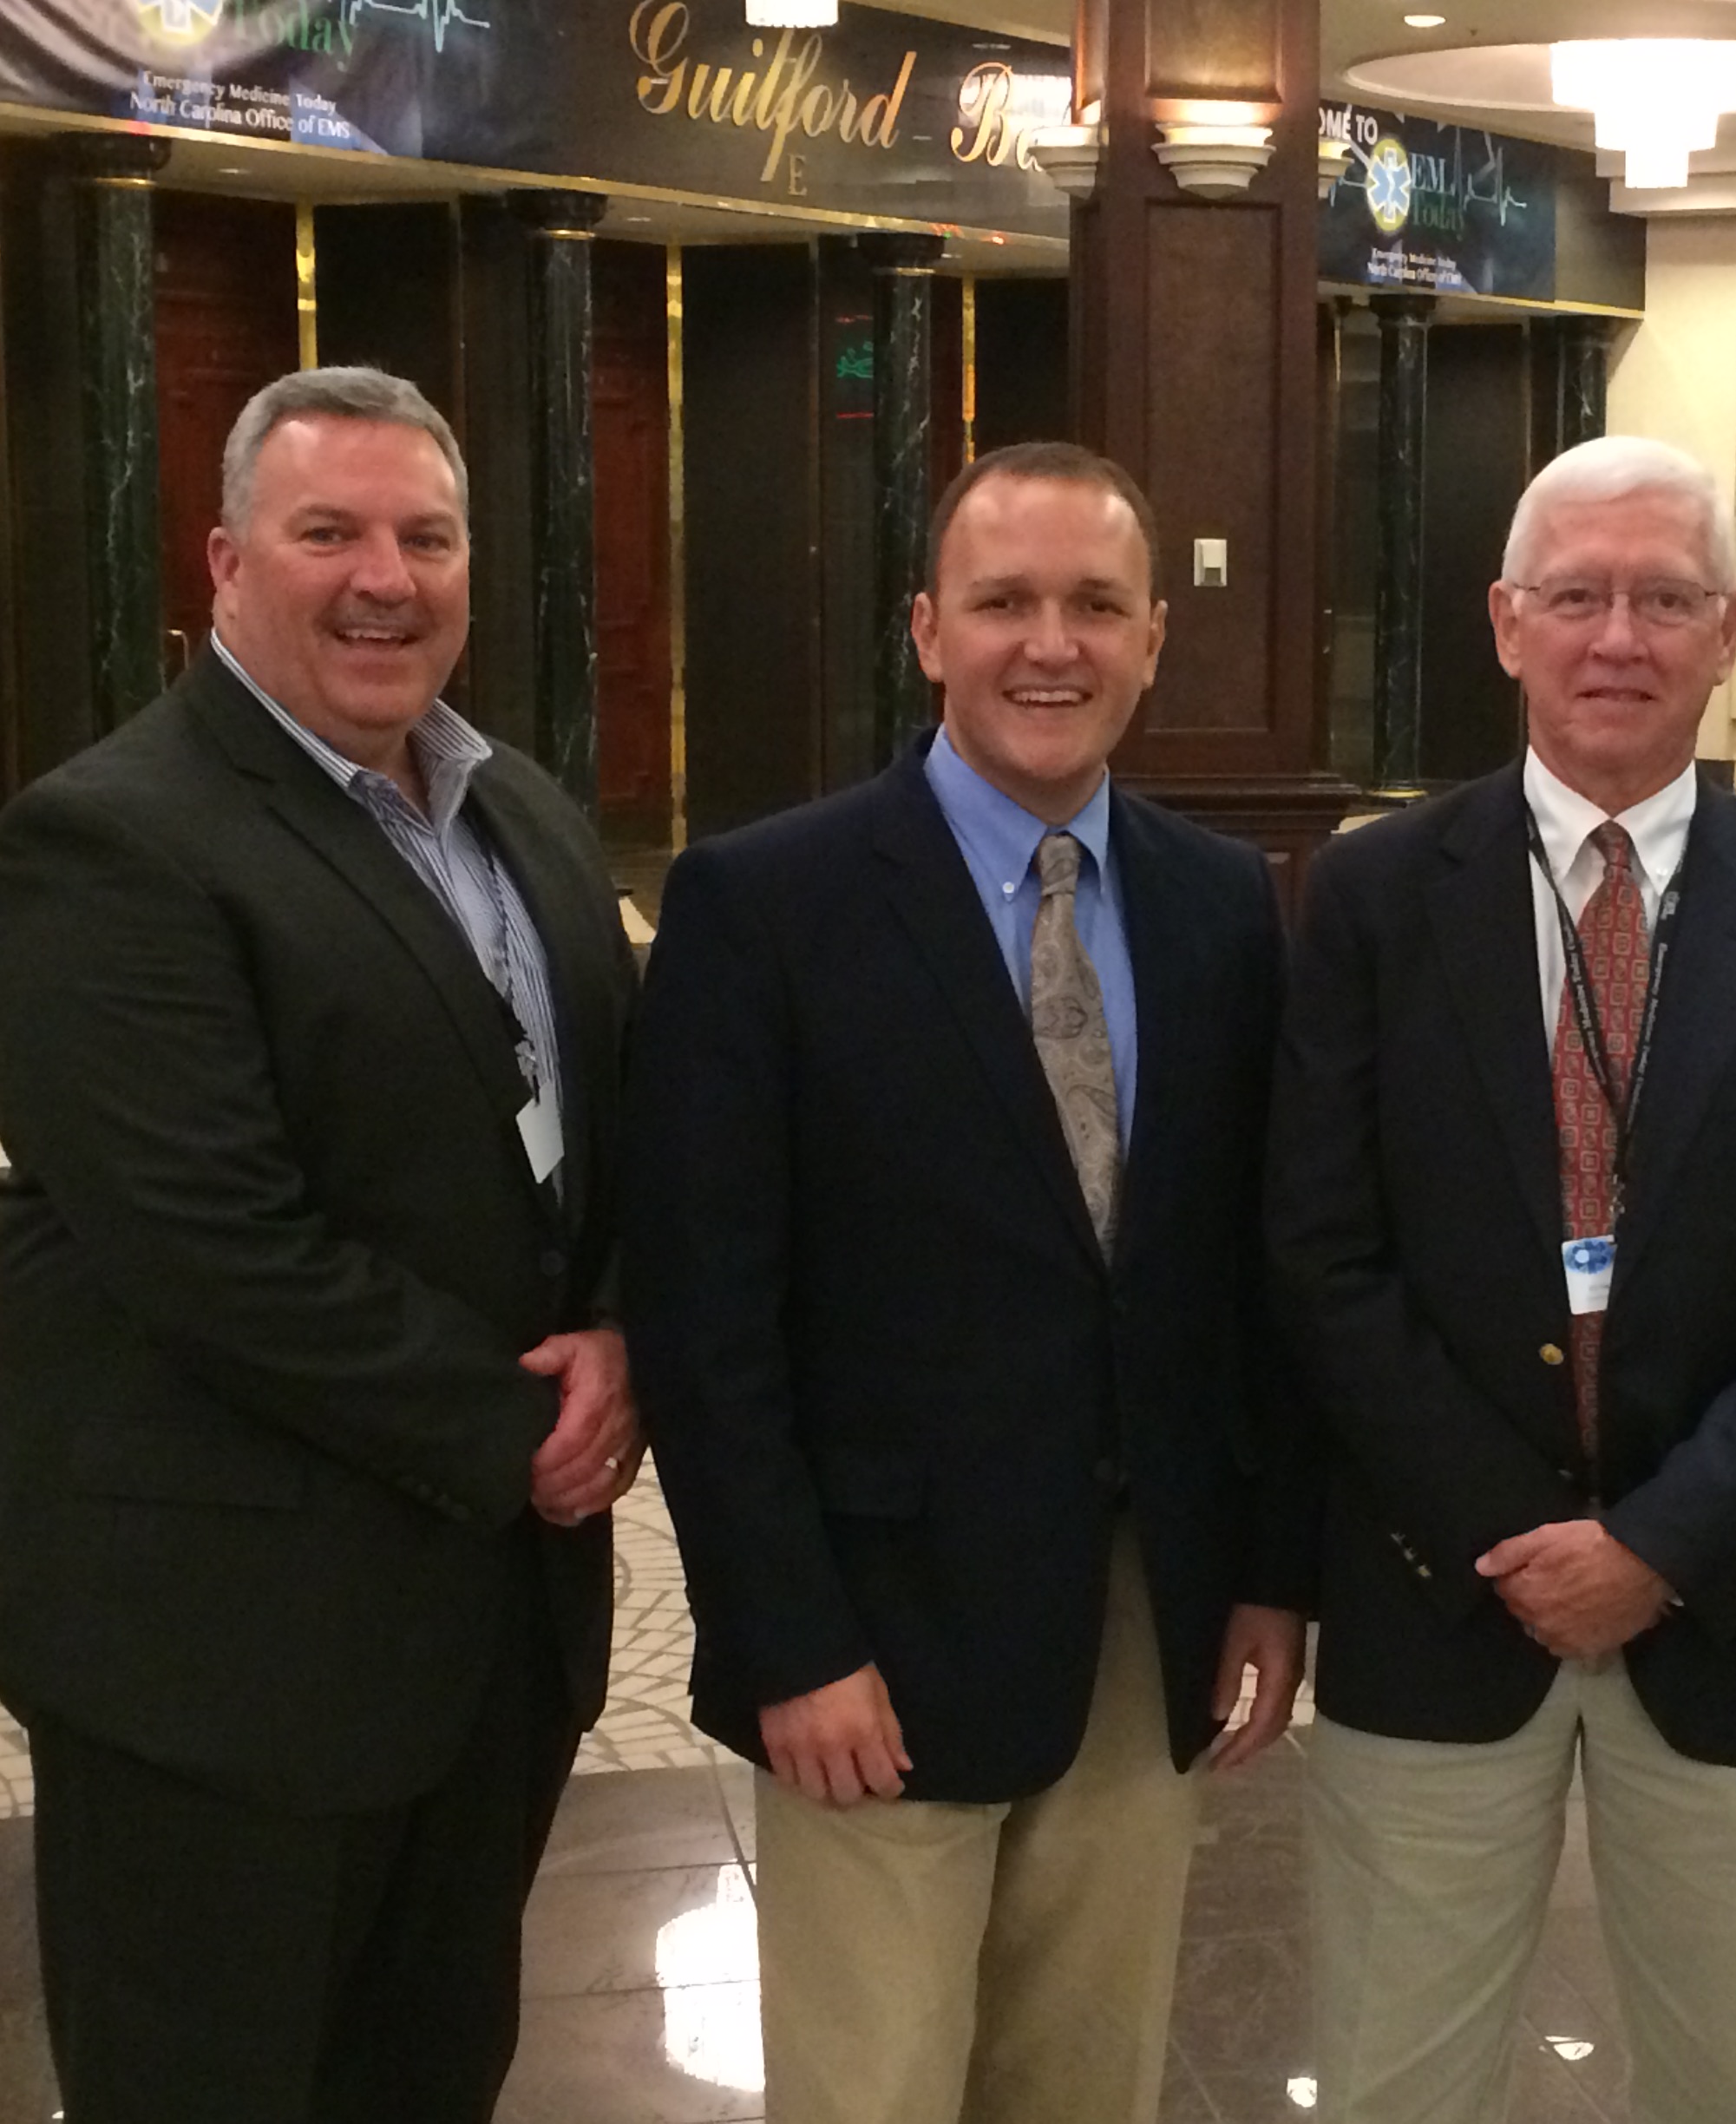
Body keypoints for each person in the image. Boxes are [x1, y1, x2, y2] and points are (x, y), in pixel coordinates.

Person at [0, 366, 642, 2124]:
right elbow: (212, 1246)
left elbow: (624, 1142)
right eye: (327, 531)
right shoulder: (109, 843)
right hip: (219, 1664)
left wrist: (628, 1334)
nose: (384, 577)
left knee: (425, 2083)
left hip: (481, 1644)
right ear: (224, 563)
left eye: (426, 536)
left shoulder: (528, 820)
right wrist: (527, 1433)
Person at [626, 441, 1311, 2124]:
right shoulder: (762, 904)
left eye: (1096, 605)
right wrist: (789, 1640)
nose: (1050, 645)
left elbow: (1252, 1285)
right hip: (878, 1635)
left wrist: (1271, 1579)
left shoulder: (1226, 909)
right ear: (928, 632)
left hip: (1141, 1619)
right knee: (875, 2091)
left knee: (1086, 2083)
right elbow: (706, 1319)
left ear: (1158, 638)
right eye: (1004, 602)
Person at [1270, 433, 1736, 2123]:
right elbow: (1325, 1256)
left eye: (1663, 598)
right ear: (1505, 621)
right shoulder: (1372, 895)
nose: (1616, 635)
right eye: (1577, 596)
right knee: (1400, 2077)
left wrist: (1656, 1546)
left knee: (1733, 2083)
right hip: (1437, 1589)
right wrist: (1517, 1535)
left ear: (1730, 628)